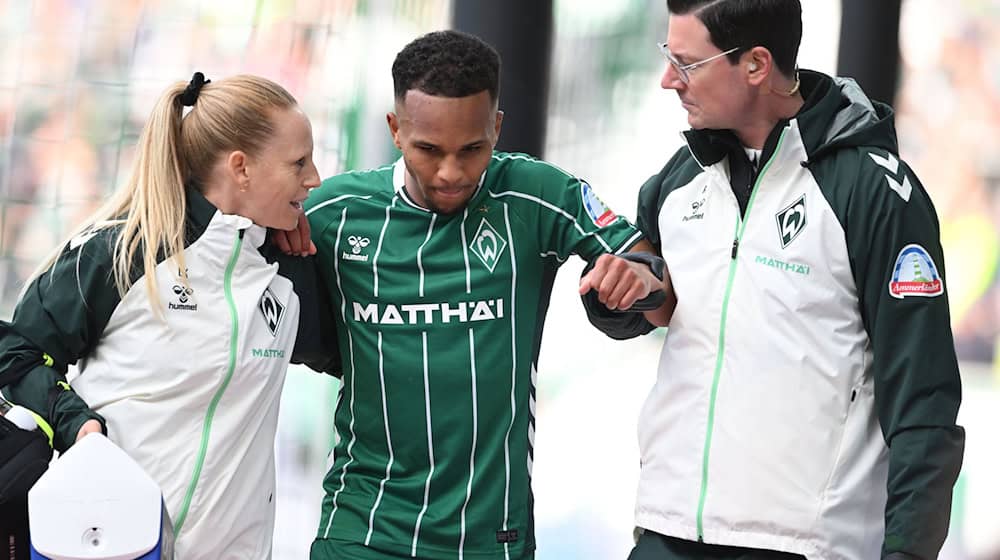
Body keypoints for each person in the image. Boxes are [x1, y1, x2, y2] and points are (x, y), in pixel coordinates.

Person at [583, 1, 966, 559]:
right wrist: (619, 295)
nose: (668, 80)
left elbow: (924, 405)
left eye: (686, 64)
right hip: (666, 530)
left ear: (757, 64)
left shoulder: (873, 191)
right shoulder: (678, 178)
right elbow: (649, 305)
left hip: (804, 545)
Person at [295, 30, 673, 560]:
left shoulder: (535, 194)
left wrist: (638, 278)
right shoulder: (335, 212)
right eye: (429, 149)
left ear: (496, 127)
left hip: (490, 539)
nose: (451, 172)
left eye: (472, 149)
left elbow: (653, 276)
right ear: (395, 130)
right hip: (362, 527)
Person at [0, 73, 338, 558]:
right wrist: (77, 424)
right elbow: (15, 352)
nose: (314, 179)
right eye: (299, 163)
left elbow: (352, 354)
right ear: (241, 168)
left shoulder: (286, 271)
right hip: (111, 545)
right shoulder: (122, 252)